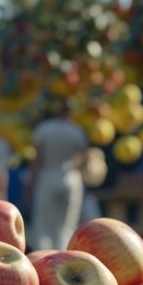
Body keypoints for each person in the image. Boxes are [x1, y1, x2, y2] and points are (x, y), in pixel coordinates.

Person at [29, 98, 88, 251]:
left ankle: (42, 255)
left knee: (44, 222)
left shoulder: (44, 128)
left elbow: (37, 157)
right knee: (67, 223)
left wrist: (31, 181)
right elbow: (84, 158)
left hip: (48, 175)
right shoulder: (76, 130)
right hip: (70, 177)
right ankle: (63, 255)